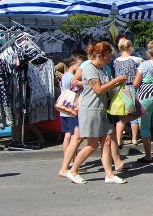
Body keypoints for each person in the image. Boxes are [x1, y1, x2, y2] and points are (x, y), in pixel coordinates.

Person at [65, 42, 129, 185]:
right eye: (108, 56)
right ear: (100, 55)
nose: (110, 59)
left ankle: (109, 174)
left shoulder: (102, 68)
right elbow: (99, 90)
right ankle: (73, 170)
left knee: (106, 142)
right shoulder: (89, 69)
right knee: (92, 145)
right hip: (91, 110)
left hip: (102, 110)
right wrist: (116, 81)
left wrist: (116, 84)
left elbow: (105, 89)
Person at [57, 52, 86, 178]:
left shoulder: (64, 76)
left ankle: (69, 162)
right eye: (79, 65)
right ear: (73, 63)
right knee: (72, 137)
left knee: (67, 136)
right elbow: (76, 88)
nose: (80, 68)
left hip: (64, 109)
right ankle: (72, 161)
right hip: (71, 108)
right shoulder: (70, 77)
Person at [112, 38, 142, 148]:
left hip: (119, 88)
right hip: (130, 88)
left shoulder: (116, 61)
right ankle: (134, 138)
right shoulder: (136, 59)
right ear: (130, 47)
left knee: (122, 116)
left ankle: (119, 139)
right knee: (134, 115)